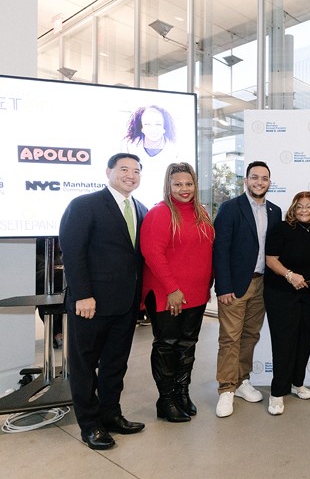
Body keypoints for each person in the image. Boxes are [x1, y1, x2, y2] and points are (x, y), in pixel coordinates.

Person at [59, 153, 148, 450]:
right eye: (124, 169)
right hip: (90, 304)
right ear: (108, 171)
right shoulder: (84, 205)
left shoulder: (141, 209)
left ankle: (111, 415)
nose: (130, 175)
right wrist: (83, 294)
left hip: (126, 304)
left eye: (136, 171)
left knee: (115, 365)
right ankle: (90, 424)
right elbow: (73, 253)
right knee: (85, 366)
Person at [140, 163, 214, 423]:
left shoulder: (202, 213)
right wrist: (172, 288)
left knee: (187, 346)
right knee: (167, 346)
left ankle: (182, 393)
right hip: (167, 294)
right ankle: (166, 400)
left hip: (196, 294)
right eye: (178, 184)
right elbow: (152, 253)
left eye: (189, 183)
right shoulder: (159, 214)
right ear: (168, 186)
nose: (185, 189)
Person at [213, 161, 282, 417]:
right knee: (230, 337)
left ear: (269, 182)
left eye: (264, 178)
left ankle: (241, 381)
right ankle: (226, 389)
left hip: (263, 284)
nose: (259, 182)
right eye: (255, 177)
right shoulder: (231, 208)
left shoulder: (275, 211)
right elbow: (220, 250)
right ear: (246, 180)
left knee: (250, 336)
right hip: (235, 285)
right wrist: (223, 286)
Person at [263, 192, 310, 415]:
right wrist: (290, 275)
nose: (304, 210)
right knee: (284, 341)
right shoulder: (282, 228)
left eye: (309, 206)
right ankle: (277, 393)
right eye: (299, 206)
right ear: (293, 207)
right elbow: (270, 259)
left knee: (305, 339)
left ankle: (297, 382)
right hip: (282, 293)